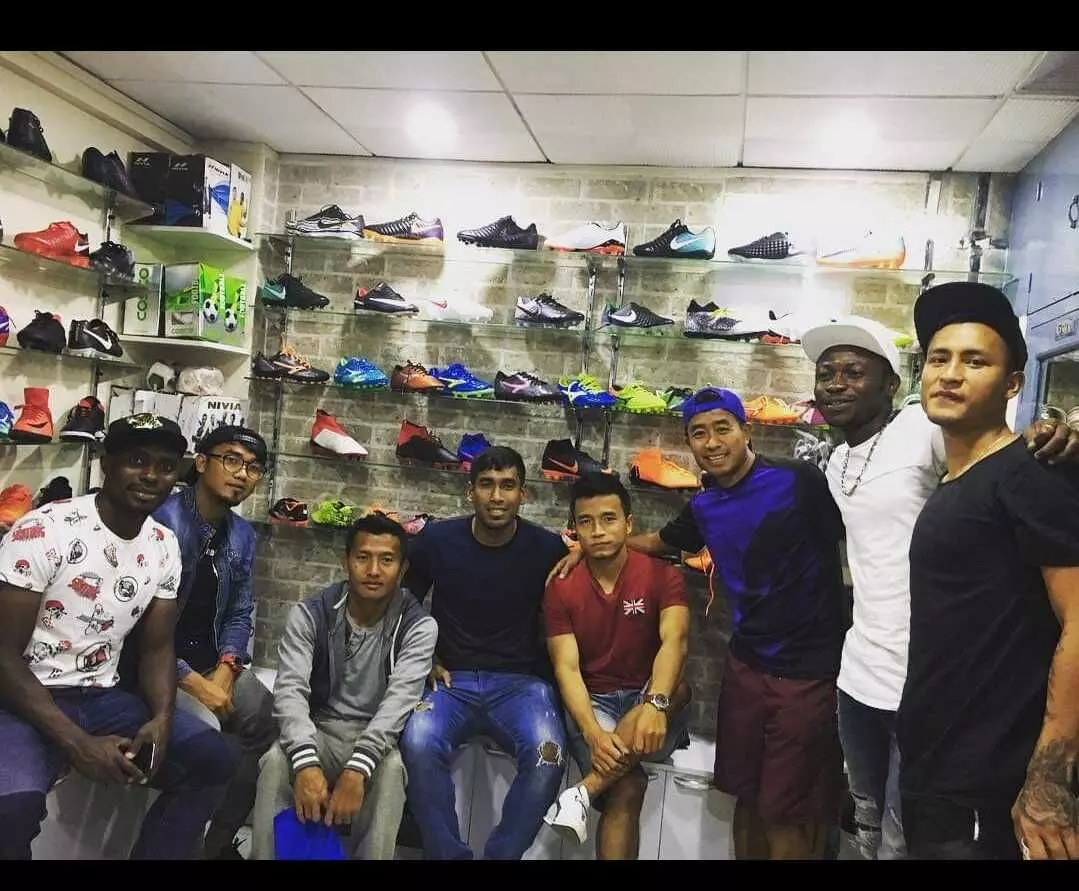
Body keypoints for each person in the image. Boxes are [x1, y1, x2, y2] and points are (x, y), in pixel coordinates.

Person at [800, 313, 1079, 860]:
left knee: (909, 840)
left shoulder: (922, 429)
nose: (836, 384)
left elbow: (993, 449)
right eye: (826, 373)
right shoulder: (836, 464)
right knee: (869, 827)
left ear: (892, 384)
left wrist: (1049, 433)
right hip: (861, 677)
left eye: (854, 372)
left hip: (932, 690)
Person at [552, 388, 849, 860]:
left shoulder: (798, 481)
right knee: (744, 796)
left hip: (808, 669)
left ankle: (584, 792)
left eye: (722, 429)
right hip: (746, 663)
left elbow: (850, 546)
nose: (711, 442)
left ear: (745, 431)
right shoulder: (705, 506)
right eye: (698, 433)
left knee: (789, 810)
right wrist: (590, 547)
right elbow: (661, 541)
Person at [0, 413, 239, 860]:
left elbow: (157, 647)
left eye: (165, 466)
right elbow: (3, 658)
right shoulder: (44, 530)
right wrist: (77, 743)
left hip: (103, 696)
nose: (151, 476)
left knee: (214, 760)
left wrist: (161, 719)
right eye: (137, 460)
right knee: (11, 809)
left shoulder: (163, 545)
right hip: (23, 697)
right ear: (106, 463)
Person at [896, 281, 1079, 860]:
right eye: (938, 359)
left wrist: (1049, 779)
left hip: (988, 783)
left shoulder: (1030, 472)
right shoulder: (959, 478)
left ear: (1013, 384)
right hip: (936, 767)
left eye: (975, 361)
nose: (950, 374)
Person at [399, 445, 569, 860]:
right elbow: (404, 603)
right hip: (449, 681)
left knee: (549, 755)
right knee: (417, 742)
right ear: (470, 491)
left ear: (523, 494)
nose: (497, 497)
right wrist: (425, 658)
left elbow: (575, 599)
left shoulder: (547, 548)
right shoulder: (437, 540)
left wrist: (581, 552)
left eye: (507, 486)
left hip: (521, 685)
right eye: (487, 485)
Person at [252, 512, 437, 860]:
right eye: (363, 557)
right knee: (276, 762)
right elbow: (290, 690)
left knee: (391, 772)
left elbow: (400, 702)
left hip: (375, 734)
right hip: (318, 728)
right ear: (346, 561)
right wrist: (306, 763)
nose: (373, 570)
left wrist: (358, 769)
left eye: (387, 560)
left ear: (403, 568)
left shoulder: (418, 626)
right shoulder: (311, 614)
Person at [145, 425, 278, 859]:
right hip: (157, 668)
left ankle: (218, 842)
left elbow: (239, 612)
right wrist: (194, 682)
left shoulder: (242, 534)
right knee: (210, 736)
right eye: (231, 460)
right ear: (201, 463)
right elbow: (139, 628)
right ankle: (181, 841)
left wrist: (226, 668)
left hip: (211, 663)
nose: (242, 474)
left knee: (267, 721)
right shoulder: (163, 523)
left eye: (253, 467)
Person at [542, 473, 691, 859]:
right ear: (575, 530)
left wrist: (653, 705)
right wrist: (593, 733)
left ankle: (583, 791)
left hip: (651, 705)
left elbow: (675, 642)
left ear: (628, 523)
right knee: (626, 786)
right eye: (586, 522)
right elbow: (566, 669)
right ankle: (586, 791)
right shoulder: (562, 586)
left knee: (678, 688)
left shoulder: (663, 575)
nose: (598, 531)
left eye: (608, 519)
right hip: (594, 705)